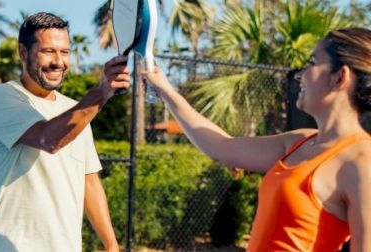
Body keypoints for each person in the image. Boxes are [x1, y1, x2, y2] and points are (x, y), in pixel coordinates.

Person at [143, 27, 371, 252]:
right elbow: (221, 146)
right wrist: (164, 89)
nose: (301, 74)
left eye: (313, 62)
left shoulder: (362, 162)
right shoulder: (299, 142)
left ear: (340, 77)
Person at [0, 12, 130, 251]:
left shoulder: (76, 110)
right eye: (48, 51)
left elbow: (89, 182)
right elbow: (48, 139)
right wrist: (100, 92)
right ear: (23, 52)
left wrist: (111, 246)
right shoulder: (3, 97)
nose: (58, 61)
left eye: (65, 52)